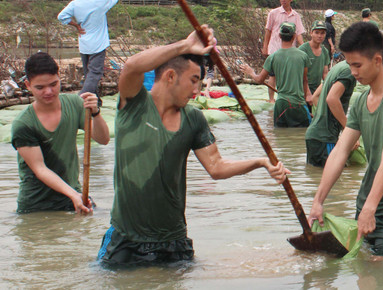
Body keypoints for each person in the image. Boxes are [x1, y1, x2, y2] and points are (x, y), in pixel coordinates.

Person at [98, 26, 289, 265]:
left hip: (173, 240)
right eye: (193, 81)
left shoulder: (194, 119)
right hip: (127, 239)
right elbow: (132, 67)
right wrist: (183, 46)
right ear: (170, 76)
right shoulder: (134, 106)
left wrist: (260, 163)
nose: (197, 90)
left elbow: (216, 167)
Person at [309, 22, 383, 258]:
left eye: (357, 65)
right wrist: (318, 200)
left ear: (378, 61)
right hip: (366, 204)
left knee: (382, 270)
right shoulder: (361, 102)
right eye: (349, 65)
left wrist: (370, 209)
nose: (353, 72)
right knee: (361, 270)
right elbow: (340, 150)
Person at [11, 52, 110, 214]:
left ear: (59, 78)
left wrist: (95, 113)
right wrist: (74, 195)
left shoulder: (75, 104)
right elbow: (40, 168)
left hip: (73, 196)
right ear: (28, 86)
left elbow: (104, 139)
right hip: (37, 206)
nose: (48, 91)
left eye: (53, 84)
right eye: (40, 88)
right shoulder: (23, 124)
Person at [57, 0, 124, 95]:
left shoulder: (75, 3)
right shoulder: (101, 1)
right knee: (95, 73)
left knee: (89, 74)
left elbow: (61, 17)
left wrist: (76, 25)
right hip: (98, 45)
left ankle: (95, 101)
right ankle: (81, 98)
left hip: (84, 43)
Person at [242, 22, 311, 127]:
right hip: (298, 103)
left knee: (280, 136)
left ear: (279, 36)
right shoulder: (303, 56)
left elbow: (260, 80)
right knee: (301, 136)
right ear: (294, 36)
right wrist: (305, 99)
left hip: (281, 105)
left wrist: (251, 72)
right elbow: (304, 80)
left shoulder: (273, 57)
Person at [305, 60, 358, 167]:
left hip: (313, 135)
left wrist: (321, 114)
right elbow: (332, 99)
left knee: (316, 177)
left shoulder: (337, 67)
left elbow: (315, 96)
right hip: (325, 137)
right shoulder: (349, 71)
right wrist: (349, 130)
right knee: (334, 179)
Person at [263, 0, 305, 102]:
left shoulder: (295, 16)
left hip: (290, 50)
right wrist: (265, 47)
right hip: (275, 48)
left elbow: (299, 33)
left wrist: (304, 47)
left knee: (289, 74)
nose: (283, 0)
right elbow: (268, 30)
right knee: (273, 75)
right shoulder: (273, 13)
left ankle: (287, 97)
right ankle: (271, 99)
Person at [300, 21, 330, 106]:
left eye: (322, 33)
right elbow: (301, 75)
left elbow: (325, 73)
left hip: (317, 89)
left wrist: (330, 88)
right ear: (311, 33)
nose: (319, 36)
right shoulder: (303, 50)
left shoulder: (324, 51)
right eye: (316, 33)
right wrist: (308, 94)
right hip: (303, 89)